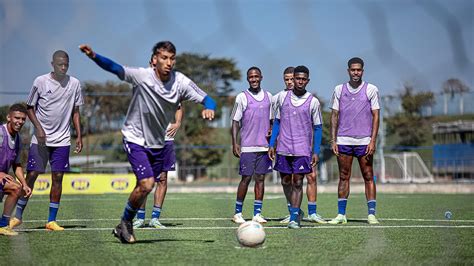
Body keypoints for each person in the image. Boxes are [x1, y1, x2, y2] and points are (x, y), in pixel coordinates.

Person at [79, 41, 216, 244]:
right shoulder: (143, 76)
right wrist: (94, 56)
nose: (168, 62)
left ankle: (123, 224)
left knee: (145, 186)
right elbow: (116, 68)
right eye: (163, 58)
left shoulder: (180, 82)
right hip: (134, 138)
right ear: (154, 60)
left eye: (172, 58)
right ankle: (126, 223)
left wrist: (208, 107)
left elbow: (208, 99)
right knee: (147, 183)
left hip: (158, 143)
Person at [11, 50, 84, 231]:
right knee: (32, 175)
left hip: (63, 139)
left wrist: (80, 135)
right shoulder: (40, 81)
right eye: (60, 64)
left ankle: (51, 221)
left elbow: (76, 111)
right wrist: (39, 128)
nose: (63, 67)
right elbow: (29, 107)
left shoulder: (74, 83)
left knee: (58, 177)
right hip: (41, 140)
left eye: (66, 64)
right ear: (52, 64)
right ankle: (17, 216)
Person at [327, 57, 380, 225]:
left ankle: (371, 214)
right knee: (344, 176)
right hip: (343, 140)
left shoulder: (371, 89)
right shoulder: (338, 89)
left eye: (359, 70)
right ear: (348, 70)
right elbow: (334, 115)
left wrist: (372, 140)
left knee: (368, 175)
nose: (356, 72)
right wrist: (333, 140)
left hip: (364, 141)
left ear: (362, 71)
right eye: (353, 69)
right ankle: (341, 215)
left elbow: (376, 115)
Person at [269, 66, 323, 229]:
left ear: (307, 81)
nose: (298, 81)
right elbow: (277, 122)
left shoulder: (313, 101)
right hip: (284, 147)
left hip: (302, 149)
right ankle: (296, 210)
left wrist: (315, 151)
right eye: (296, 78)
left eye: (302, 79)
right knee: (285, 180)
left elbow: (318, 127)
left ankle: (294, 218)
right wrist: (272, 144)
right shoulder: (282, 98)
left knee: (298, 182)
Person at [230, 67, 273, 224]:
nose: (254, 79)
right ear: (247, 79)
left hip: (264, 147)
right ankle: (237, 213)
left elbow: (273, 121)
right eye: (251, 77)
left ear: (261, 77)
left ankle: (257, 213)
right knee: (246, 178)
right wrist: (235, 143)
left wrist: (272, 138)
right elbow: (235, 121)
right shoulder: (242, 97)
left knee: (260, 179)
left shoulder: (269, 97)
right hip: (247, 146)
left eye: (256, 76)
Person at [133, 106, 183, 229]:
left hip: (166, 140)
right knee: (143, 180)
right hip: (147, 140)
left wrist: (178, 123)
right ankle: (140, 218)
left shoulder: (171, 89)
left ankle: (155, 218)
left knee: (162, 179)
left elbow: (179, 106)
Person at [0, 104, 32, 236]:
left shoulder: (18, 139)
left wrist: (25, 184)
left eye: (23, 119)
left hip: (2, 178)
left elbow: (17, 165)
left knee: (18, 188)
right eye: (17, 118)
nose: (20, 122)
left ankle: (3, 225)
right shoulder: (1, 133)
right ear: (9, 117)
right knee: (14, 187)